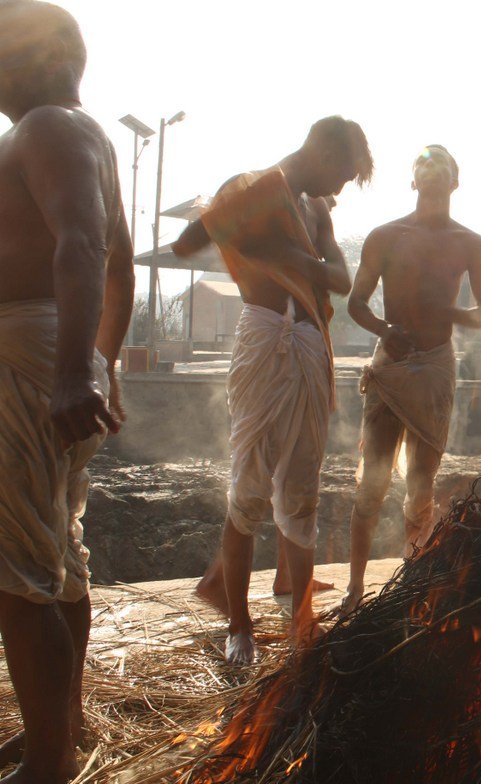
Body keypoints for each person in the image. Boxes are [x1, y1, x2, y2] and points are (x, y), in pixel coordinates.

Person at [175, 116, 373, 665]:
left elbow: (340, 278)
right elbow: (190, 239)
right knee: (250, 488)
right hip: (264, 336)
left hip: (309, 345)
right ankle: (239, 625)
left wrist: (292, 257)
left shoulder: (314, 210)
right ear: (321, 150)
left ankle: (301, 621)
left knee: (301, 488)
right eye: (342, 174)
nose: (339, 189)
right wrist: (247, 232)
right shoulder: (257, 189)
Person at [0, 3, 135, 780]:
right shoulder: (77, 135)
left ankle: (48, 763)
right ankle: (61, 729)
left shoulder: (48, 125)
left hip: (31, 358)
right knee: (60, 559)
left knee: (18, 577)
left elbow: (84, 243)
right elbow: (116, 264)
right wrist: (100, 360)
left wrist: (76, 370)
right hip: (55, 354)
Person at [340, 145, 481, 615]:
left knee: (422, 483)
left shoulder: (471, 242)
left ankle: (412, 580)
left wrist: (447, 312)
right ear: (412, 182)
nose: (432, 174)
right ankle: (354, 586)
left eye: (442, 168)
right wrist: (386, 330)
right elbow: (356, 303)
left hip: (434, 365)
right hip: (390, 364)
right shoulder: (386, 236)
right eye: (423, 168)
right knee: (372, 482)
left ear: (455, 181)